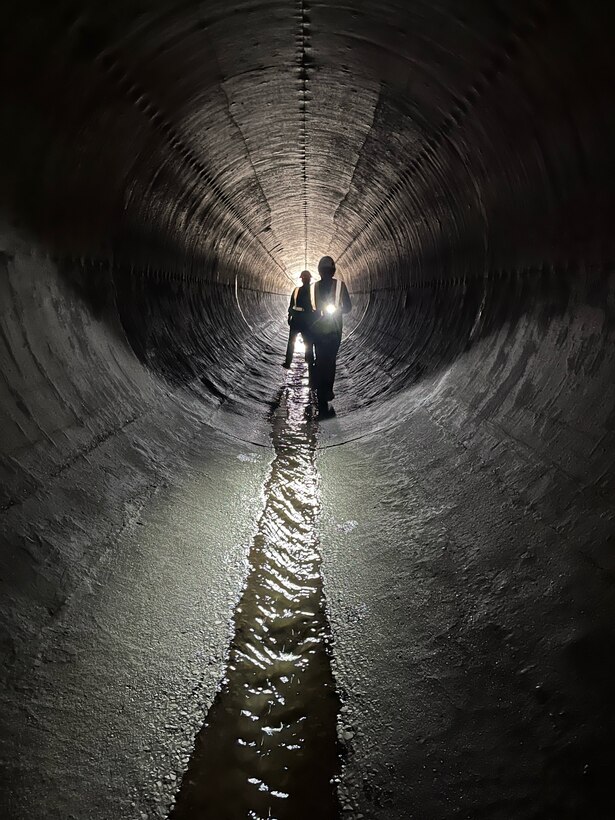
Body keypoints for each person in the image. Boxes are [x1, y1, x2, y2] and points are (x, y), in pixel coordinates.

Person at [312, 256, 351, 413]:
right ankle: (321, 389)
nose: (327, 274)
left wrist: (337, 310)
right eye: (325, 271)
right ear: (321, 272)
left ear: (332, 272)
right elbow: (311, 308)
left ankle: (326, 389)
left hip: (333, 331)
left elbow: (348, 307)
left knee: (329, 361)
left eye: (328, 271)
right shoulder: (314, 287)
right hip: (320, 331)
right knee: (322, 360)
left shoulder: (340, 286)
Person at [283, 270, 315, 369]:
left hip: (298, 320)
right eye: (305, 278)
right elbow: (292, 305)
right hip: (304, 321)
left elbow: (291, 305)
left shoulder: (306, 291)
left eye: (306, 278)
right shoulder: (311, 291)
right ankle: (309, 361)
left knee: (295, 342)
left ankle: (289, 362)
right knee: (308, 342)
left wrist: (290, 317)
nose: (305, 280)